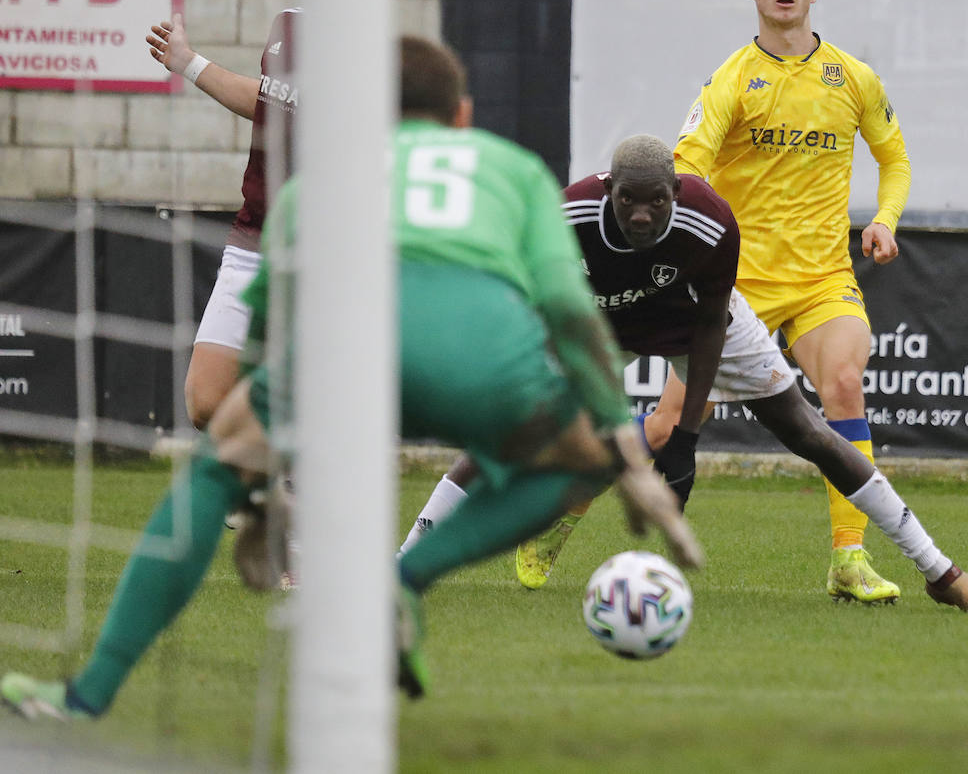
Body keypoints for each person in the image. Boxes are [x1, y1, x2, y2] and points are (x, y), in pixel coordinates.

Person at [0, 37, 699, 721]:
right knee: (564, 465)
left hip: (343, 350)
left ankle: (89, 694)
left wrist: (260, 471)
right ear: (462, 114)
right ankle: (403, 580)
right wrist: (616, 443)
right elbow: (568, 312)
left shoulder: (318, 179)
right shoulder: (511, 167)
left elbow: (273, 321)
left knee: (211, 474)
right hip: (476, 348)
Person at [400, 134, 968, 614]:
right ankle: (403, 562)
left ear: (678, 188)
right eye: (629, 200)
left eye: (657, 200)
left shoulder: (710, 220)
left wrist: (687, 440)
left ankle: (942, 573)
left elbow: (711, 328)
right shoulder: (568, 216)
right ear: (609, 190)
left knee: (808, 431)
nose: (642, 216)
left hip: (695, 323)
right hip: (598, 324)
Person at [659, 0, 913, 603]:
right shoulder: (732, 79)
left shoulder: (854, 77)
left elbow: (894, 158)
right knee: (668, 424)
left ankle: (849, 559)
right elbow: (688, 165)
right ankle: (564, 516)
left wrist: (883, 220)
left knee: (844, 384)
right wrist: (695, 247)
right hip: (736, 285)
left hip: (823, 278)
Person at [146, 9, 298, 430]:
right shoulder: (288, 23)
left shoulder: (363, 42)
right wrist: (187, 62)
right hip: (255, 237)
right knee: (206, 402)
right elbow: (270, 103)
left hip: (326, 254)